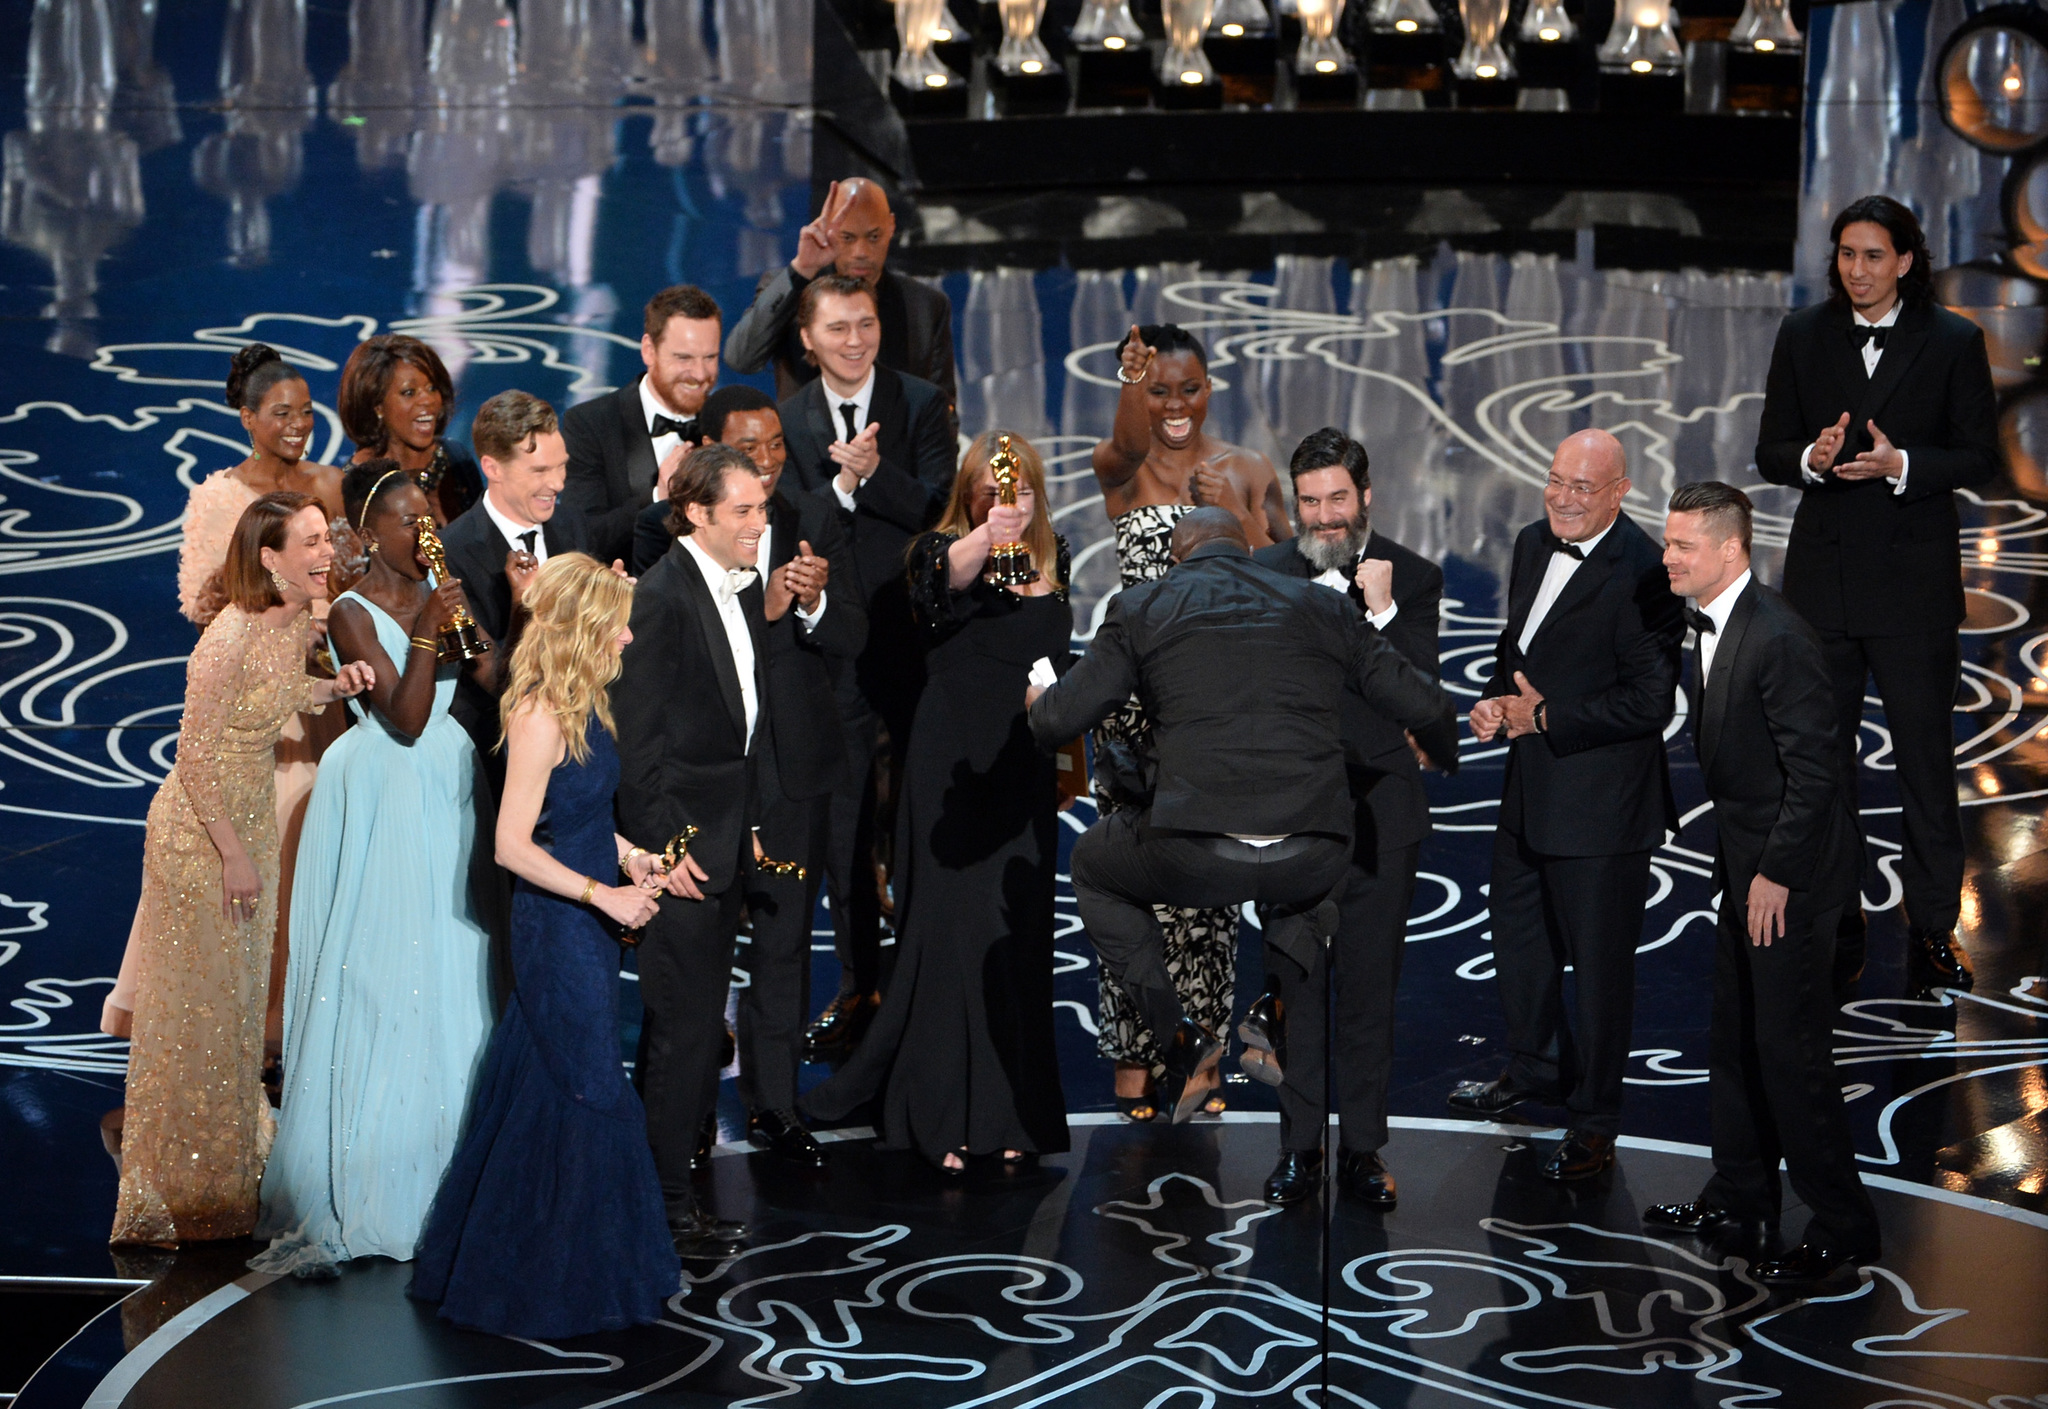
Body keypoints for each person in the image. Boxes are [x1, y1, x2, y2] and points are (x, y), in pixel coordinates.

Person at [1027, 508, 1460, 1124]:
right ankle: (1273, 1006)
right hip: (1311, 852)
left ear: (1179, 560)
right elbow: (1424, 703)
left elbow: (1056, 723)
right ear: (1251, 554)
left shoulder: (1144, 606)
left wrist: (1038, 701)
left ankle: (1178, 1032)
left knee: (1094, 866)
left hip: (1198, 854)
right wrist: (1444, 756)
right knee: (1316, 871)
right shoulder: (1323, 604)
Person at [410, 553, 682, 1337]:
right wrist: (605, 893)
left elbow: (587, 814)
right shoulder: (536, 714)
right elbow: (510, 845)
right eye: (616, 623)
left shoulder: (589, 700)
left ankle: (519, 1256)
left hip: (591, 922)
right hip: (559, 928)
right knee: (588, 1086)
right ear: (580, 628)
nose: (629, 636)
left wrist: (630, 853)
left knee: (544, 1081)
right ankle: (565, 1279)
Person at [253, 462, 501, 1275]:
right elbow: (404, 714)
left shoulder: (440, 590)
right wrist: (429, 624)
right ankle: (378, 1180)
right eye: (405, 521)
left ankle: (453, 1172)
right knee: (386, 972)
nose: (421, 531)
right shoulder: (353, 613)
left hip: (448, 787)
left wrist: (475, 632)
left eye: (427, 516)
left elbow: (488, 684)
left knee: (454, 960)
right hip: (390, 791)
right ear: (370, 532)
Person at [802, 432, 1072, 1172]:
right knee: (951, 934)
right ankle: (942, 1113)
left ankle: (1015, 1112)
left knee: (1016, 939)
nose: (1001, 499)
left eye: (1014, 490)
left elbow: (1057, 654)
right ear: (968, 493)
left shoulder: (1057, 558)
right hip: (948, 767)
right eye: (987, 489)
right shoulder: (935, 551)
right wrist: (988, 535)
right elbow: (940, 591)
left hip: (1021, 767)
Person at [111, 493, 374, 1247]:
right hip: (202, 835)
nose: (330, 552)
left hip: (250, 820)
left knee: (235, 1006)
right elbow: (192, 758)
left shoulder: (290, 624)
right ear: (270, 557)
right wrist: (231, 854)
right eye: (314, 541)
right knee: (196, 1006)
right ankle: (184, 1184)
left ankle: (226, 1163)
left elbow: (281, 696)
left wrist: (334, 685)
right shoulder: (223, 641)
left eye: (328, 537)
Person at [1754, 194, 1998, 996]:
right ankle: (1840, 916)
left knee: (1926, 765)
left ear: (1903, 260)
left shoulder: (1955, 340)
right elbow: (1770, 450)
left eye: (1871, 256)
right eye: (1846, 256)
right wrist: (1814, 459)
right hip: (1822, 587)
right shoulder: (1802, 333)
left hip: (1913, 589)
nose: (1856, 270)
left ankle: (1931, 930)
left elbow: (1978, 457)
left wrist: (1900, 466)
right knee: (1821, 765)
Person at [1648, 482, 1883, 1283]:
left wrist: (1776, 874)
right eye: (1668, 540)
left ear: (1731, 550)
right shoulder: (1708, 620)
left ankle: (1844, 1221)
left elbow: (1818, 773)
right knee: (1737, 1030)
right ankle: (1739, 1192)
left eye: (1683, 544)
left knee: (1791, 1051)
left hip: (1793, 876)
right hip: (1743, 863)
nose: (1668, 556)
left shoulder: (1779, 636)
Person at [1453, 428, 1686, 1181]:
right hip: (1529, 788)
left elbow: (1651, 701)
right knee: (1519, 940)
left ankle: (1594, 1121)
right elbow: (1515, 648)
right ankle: (1535, 1067)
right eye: (1556, 480)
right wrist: (1497, 701)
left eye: (1582, 488)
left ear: (1619, 492)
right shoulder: (1530, 540)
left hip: (1602, 808)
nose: (1562, 497)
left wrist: (1545, 718)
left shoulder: (1649, 572)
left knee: (1599, 969)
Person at [104, 345, 347, 1052]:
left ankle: (296, 1027)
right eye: (281, 414)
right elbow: (203, 602)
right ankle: (235, 1028)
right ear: (246, 419)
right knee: (255, 845)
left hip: (318, 697)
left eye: (306, 411)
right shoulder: (217, 498)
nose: (298, 425)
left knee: (310, 850)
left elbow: (342, 581)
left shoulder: (325, 486)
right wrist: (274, 596)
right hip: (256, 704)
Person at [1086, 322, 1290, 1124]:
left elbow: (1286, 574)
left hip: (1213, 703)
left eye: (1188, 387)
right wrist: (1129, 382)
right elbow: (1130, 436)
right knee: (1136, 880)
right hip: (1140, 705)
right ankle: (1138, 1056)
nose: (1176, 405)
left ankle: (1204, 1048)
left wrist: (1239, 512)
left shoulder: (1248, 466)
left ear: (1212, 387)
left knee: (1205, 891)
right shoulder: (1124, 466)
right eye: (1159, 388)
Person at [1250, 428, 1444, 1208]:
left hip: (1378, 820)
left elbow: (1424, 701)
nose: (1326, 517)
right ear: (1293, 506)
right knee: (1297, 993)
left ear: (1366, 496)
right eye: (1310, 502)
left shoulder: (1415, 579)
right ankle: (1299, 1148)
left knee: (1368, 995)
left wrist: (1385, 612)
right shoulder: (1264, 575)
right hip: (1291, 821)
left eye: (1338, 499)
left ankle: (1363, 1149)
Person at [776, 273, 956, 1063]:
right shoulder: (784, 422)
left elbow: (943, 513)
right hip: (830, 653)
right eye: (838, 327)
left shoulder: (919, 404)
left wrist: (873, 475)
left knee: (918, 815)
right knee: (844, 824)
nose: (855, 339)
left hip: (917, 647)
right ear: (807, 339)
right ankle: (860, 989)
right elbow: (783, 522)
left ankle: (923, 980)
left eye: (867, 324)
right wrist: (843, 486)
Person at [613, 445, 777, 1257]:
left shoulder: (735, 589)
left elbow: (730, 734)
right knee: (679, 1035)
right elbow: (638, 752)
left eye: (762, 506)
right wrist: (662, 852)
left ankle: (664, 1196)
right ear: (697, 514)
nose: (760, 523)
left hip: (720, 848)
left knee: (689, 1033)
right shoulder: (663, 598)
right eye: (743, 511)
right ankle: (662, 1210)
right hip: (680, 862)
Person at [724, 177, 958, 437]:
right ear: (828, 230)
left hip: (896, 471)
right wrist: (802, 268)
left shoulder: (925, 306)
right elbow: (741, 358)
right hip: (807, 467)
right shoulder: (792, 290)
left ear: (891, 226)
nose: (861, 252)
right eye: (847, 237)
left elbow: (943, 411)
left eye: (874, 236)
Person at [438, 390, 592, 766]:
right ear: (492, 468)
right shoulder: (450, 553)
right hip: (496, 756)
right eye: (539, 471)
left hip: (580, 751)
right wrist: (521, 605)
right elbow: (485, 674)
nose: (557, 483)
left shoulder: (571, 527)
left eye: (561, 466)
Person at [562, 285, 724, 566]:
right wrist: (659, 496)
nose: (700, 374)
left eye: (710, 358)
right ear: (649, 350)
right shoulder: (591, 425)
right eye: (684, 358)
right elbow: (582, 540)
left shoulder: (727, 421)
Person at [630, 384, 787, 575]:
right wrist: (771, 606)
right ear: (711, 446)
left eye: (776, 444)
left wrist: (813, 604)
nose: (767, 460)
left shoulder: (814, 515)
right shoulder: (659, 524)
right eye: (749, 449)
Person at [337, 334, 481, 524]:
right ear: (377, 406)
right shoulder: (355, 489)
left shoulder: (455, 458)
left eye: (432, 388)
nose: (428, 400)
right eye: (409, 393)